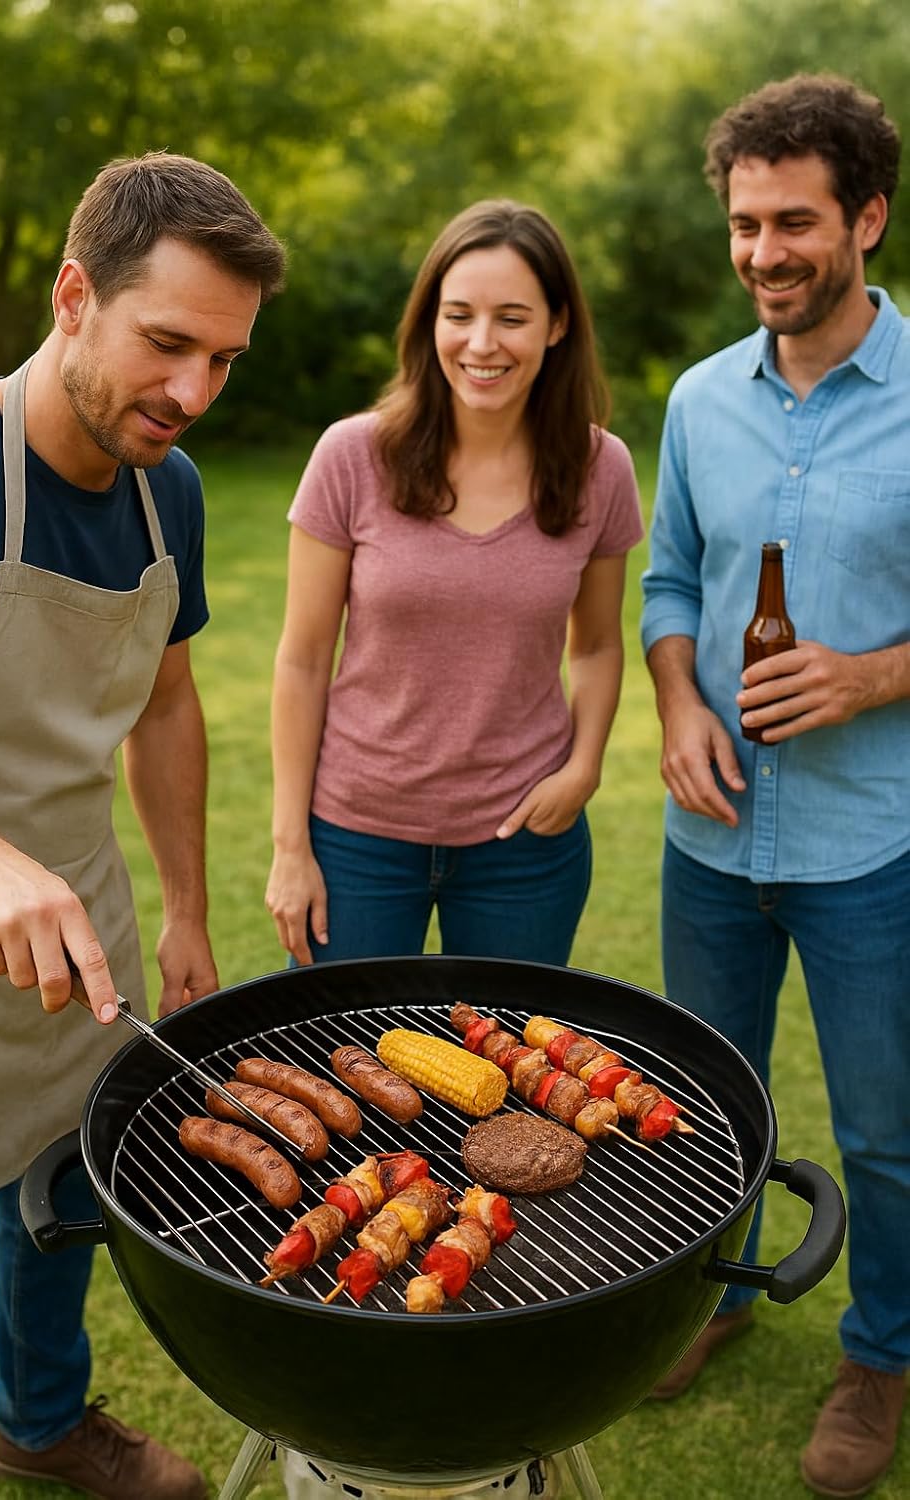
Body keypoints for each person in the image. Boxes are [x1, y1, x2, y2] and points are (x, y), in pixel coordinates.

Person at [0, 153, 285, 1500]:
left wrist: (184, 910)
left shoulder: (162, 491)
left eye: (224, 361)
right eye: (168, 343)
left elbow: (167, 705)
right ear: (77, 295)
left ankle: (45, 1420)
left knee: (64, 1204)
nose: (192, 393)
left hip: (82, 922)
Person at [641, 73, 908, 1497]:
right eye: (745, 225)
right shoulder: (699, 400)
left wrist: (871, 676)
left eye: (794, 222)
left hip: (876, 842)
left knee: (885, 1125)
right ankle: (720, 1294)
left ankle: (880, 1352)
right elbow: (670, 576)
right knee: (705, 1100)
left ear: (865, 217)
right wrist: (678, 694)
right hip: (714, 835)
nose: (763, 254)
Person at [265, 199, 642, 969]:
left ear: (558, 324)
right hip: (358, 838)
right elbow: (302, 660)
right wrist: (289, 845)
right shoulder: (352, 457)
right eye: (459, 314)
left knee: (516, 1082)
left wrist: (584, 767)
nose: (481, 343)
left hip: (525, 845)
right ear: (428, 320)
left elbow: (599, 645)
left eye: (512, 317)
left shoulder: (603, 470)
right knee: (355, 1072)